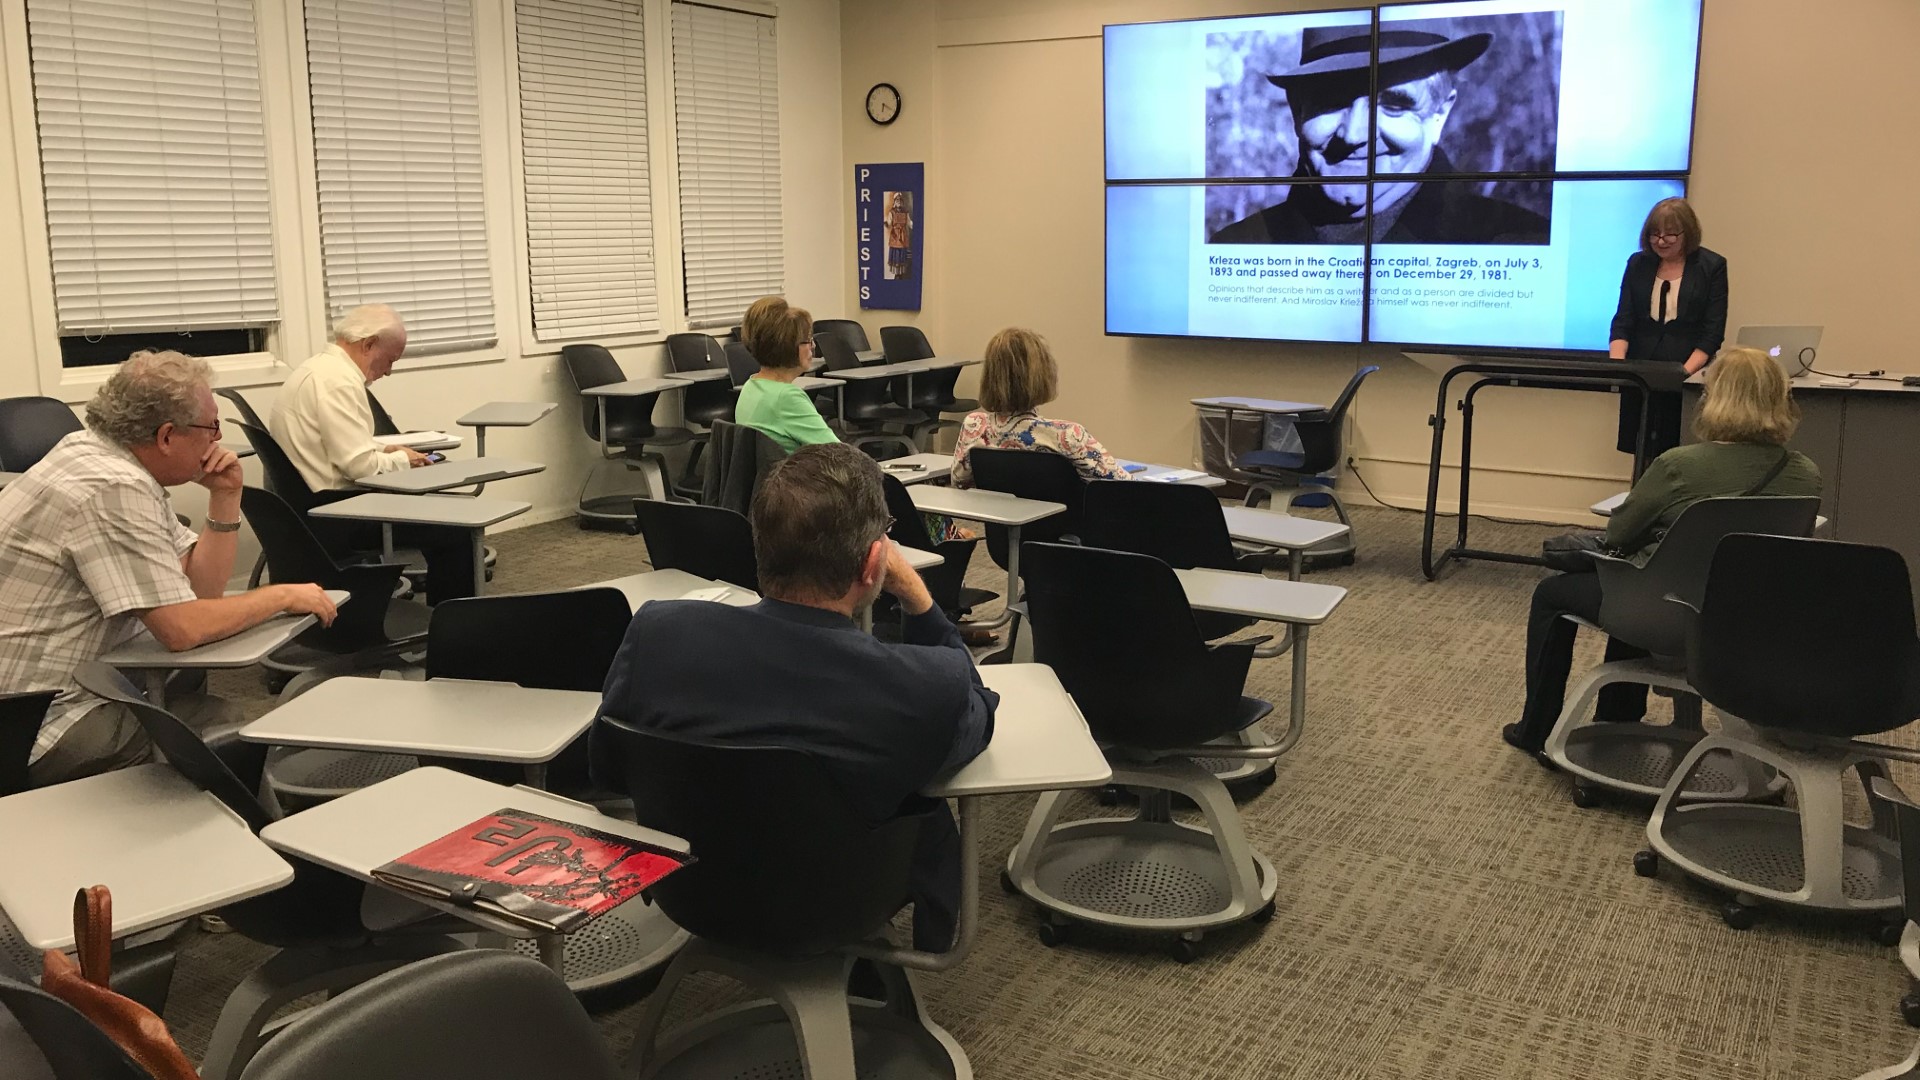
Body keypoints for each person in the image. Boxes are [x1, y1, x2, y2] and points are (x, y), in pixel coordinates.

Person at [594, 443, 997, 950]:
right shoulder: (920, 685)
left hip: (689, 891)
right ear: (874, 562)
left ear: (760, 543)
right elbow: (978, 709)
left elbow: (608, 772)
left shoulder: (656, 632)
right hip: (845, 905)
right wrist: (917, 597)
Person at [0, 351, 338, 787]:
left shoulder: (92, 452)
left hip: (38, 703)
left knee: (193, 685)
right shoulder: (112, 487)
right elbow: (182, 628)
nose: (218, 439)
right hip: (39, 727)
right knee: (233, 729)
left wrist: (225, 497)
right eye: (210, 427)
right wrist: (282, 594)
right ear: (165, 436)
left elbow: (199, 594)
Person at [1505, 346, 1819, 754]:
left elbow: (1619, 535)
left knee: (1557, 593)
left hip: (1663, 615)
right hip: (1744, 621)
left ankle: (1536, 730)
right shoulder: (1805, 474)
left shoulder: (1678, 466)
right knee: (1643, 576)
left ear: (1715, 398)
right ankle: (1617, 714)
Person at [1210, 27, 1549, 246]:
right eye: (1332, 100)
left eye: (1394, 105)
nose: (1354, 134)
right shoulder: (1236, 246)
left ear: (1439, 115)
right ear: (1297, 110)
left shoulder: (1518, 243)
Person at [270, 304, 475, 603]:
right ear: (368, 345)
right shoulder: (338, 383)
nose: (389, 371)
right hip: (341, 513)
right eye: (390, 359)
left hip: (312, 507)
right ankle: (454, 623)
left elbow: (336, 443)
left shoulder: (316, 370)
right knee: (457, 529)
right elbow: (360, 467)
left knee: (441, 518)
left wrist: (387, 449)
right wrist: (405, 460)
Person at [1608, 197, 1729, 459]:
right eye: (1655, 234)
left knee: (1681, 452)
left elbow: (1712, 334)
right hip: (1640, 377)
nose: (1661, 241)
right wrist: (1618, 368)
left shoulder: (1712, 267)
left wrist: (1681, 374)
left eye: (1670, 234)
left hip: (1688, 376)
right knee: (1642, 452)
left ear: (1688, 233)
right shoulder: (1638, 264)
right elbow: (1623, 320)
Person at [951, 328, 1130, 488]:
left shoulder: (974, 426)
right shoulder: (1067, 435)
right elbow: (1125, 487)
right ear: (1044, 374)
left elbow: (959, 482)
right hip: (1065, 516)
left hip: (1000, 516)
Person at [733, 296, 840, 454]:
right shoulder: (786, 398)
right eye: (807, 340)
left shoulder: (751, 386)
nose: (813, 345)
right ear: (787, 346)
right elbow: (839, 455)